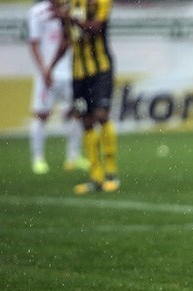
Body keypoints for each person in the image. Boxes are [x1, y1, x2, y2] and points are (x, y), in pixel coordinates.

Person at [48, 0, 120, 194]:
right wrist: (50, 67)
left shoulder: (100, 2)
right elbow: (65, 40)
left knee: (102, 115)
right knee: (86, 122)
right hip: (78, 74)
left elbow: (96, 28)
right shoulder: (68, 5)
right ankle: (96, 177)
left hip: (101, 70)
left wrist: (69, 17)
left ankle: (111, 173)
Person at [27, 0, 90, 175]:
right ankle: (38, 159)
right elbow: (33, 43)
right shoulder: (37, 13)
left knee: (74, 113)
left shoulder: (72, 10)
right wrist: (44, 70)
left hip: (70, 72)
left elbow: (73, 38)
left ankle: (73, 156)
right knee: (41, 115)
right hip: (47, 73)